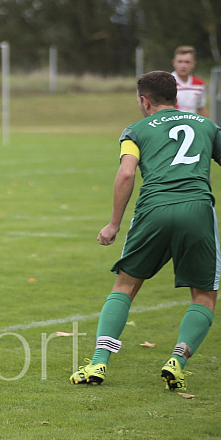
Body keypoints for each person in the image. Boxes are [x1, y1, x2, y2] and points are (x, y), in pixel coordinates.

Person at [70, 71, 221, 391]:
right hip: (197, 209)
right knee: (205, 295)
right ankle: (177, 360)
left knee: (125, 285)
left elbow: (126, 174)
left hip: (153, 209)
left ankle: (98, 361)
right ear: (176, 98)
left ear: (144, 100)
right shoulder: (207, 126)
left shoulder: (134, 130)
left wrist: (113, 224)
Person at [171, 46, 208, 117]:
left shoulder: (199, 84)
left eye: (187, 62)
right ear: (174, 63)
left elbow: (201, 108)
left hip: (191, 126)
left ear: (193, 64)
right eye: (180, 61)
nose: (183, 66)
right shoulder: (166, 83)